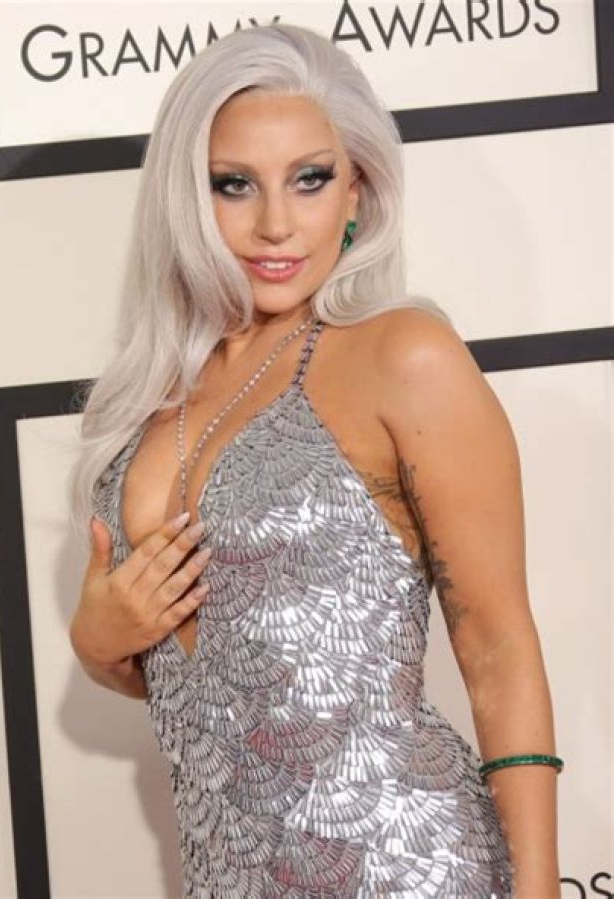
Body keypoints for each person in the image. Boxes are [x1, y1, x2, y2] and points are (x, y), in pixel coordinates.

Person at [69, 23, 561, 898]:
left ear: (357, 188)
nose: (275, 223)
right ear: (185, 198)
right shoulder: (146, 403)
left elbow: (496, 643)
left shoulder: (403, 355)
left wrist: (540, 889)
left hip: (410, 869)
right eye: (233, 184)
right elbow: (220, 683)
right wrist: (97, 643)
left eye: (310, 178)